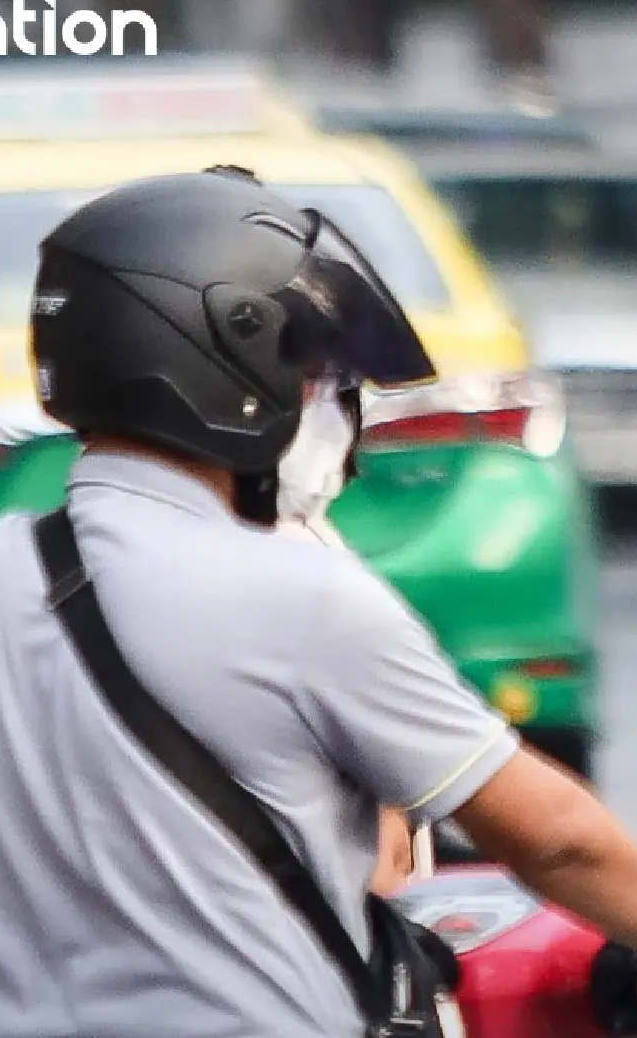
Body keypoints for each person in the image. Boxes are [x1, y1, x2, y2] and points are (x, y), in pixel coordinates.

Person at [0, 167, 637, 1037]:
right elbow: (552, 836)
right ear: (225, 360)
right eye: (317, 375)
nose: (335, 409)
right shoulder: (301, 596)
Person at [268, 373, 416, 898]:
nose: (327, 411)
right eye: (309, 382)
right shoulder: (294, 570)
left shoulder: (314, 541)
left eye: (340, 389)